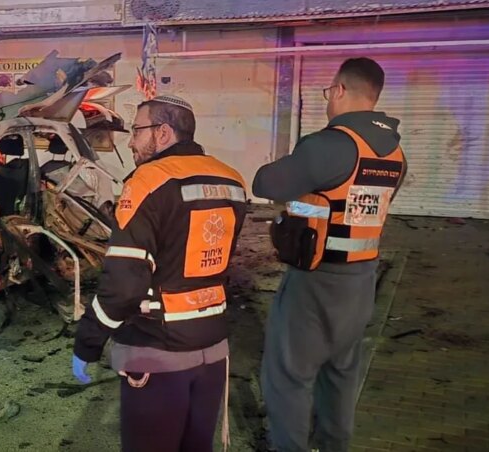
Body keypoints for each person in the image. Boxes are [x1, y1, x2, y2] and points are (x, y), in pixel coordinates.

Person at [72, 94, 248, 452]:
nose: (131, 142)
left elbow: (124, 286)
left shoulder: (148, 181)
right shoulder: (231, 180)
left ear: (163, 133)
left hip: (158, 353)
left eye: (137, 131)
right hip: (214, 348)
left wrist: (88, 341)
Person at [253, 57, 408, 452]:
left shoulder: (330, 145)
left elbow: (266, 183)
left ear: (339, 90)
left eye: (328, 92)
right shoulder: (394, 154)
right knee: (340, 374)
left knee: (289, 376)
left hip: (316, 280)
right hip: (362, 280)